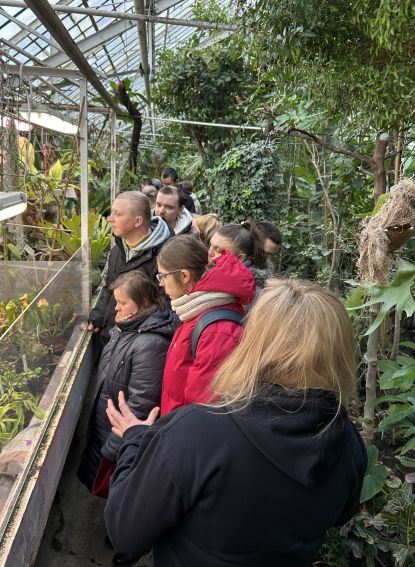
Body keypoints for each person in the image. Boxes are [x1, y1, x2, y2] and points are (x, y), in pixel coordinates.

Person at [105, 278, 367, 567]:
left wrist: (133, 441)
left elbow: (124, 532)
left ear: (254, 342)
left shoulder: (197, 433)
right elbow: (342, 512)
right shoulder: (348, 443)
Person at [78, 271, 178, 494]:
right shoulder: (123, 328)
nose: (116, 307)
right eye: (116, 301)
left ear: (142, 302)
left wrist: (111, 450)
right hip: (107, 427)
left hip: (118, 438)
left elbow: (141, 403)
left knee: (116, 490)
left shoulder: (150, 344)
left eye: (122, 302)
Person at [157, 234, 255, 415]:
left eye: (162, 276)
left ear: (184, 275)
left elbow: (203, 411)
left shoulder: (218, 331)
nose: (161, 283)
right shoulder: (194, 311)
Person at [88, 192, 172, 345]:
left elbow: (164, 306)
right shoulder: (116, 251)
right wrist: (98, 315)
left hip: (135, 343)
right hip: (110, 337)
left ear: (137, 221)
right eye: (112, 212)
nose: (110, 218)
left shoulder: (164, 257)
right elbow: (109, 287)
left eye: (118, 214)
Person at [209, 222, 272, 292]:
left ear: (240, 258)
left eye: (218, 250)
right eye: (210, 245)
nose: (209, 253)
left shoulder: (248, 291)